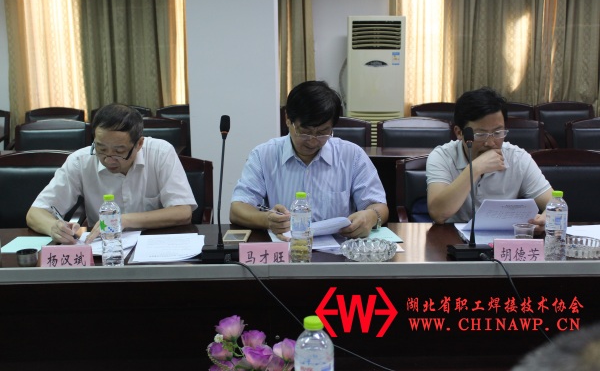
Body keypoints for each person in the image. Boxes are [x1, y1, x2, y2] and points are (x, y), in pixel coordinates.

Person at [230, 80, 388, 238]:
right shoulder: (263, 155)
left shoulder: (352, 155)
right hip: (287, 247)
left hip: (339, 249)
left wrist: (371, 216)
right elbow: (237, 209)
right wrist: (267, 220)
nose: (312, 141)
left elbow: (379, 205)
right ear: (288, 119)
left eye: (322, 132)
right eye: (305, 131)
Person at [26, 103, 197, 244]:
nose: (108, 159)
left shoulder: (161, 153)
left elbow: (183, 212)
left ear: (139, 144)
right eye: (101, 149)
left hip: (156, 245)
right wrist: (53, 227)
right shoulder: (80, 161)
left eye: (119, 151)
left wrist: (124, 220)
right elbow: (35, 213)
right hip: (105, 249)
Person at [426, 87, 552, 229]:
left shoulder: (518, 158)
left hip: (502, 238)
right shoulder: (442, 157)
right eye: (480, 134)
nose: (491, 143)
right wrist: (475, 168)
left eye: (498, 133)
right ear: (459, 133)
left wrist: (544, 219)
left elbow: (556, 205)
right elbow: (438, 213)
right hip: (451, 238)